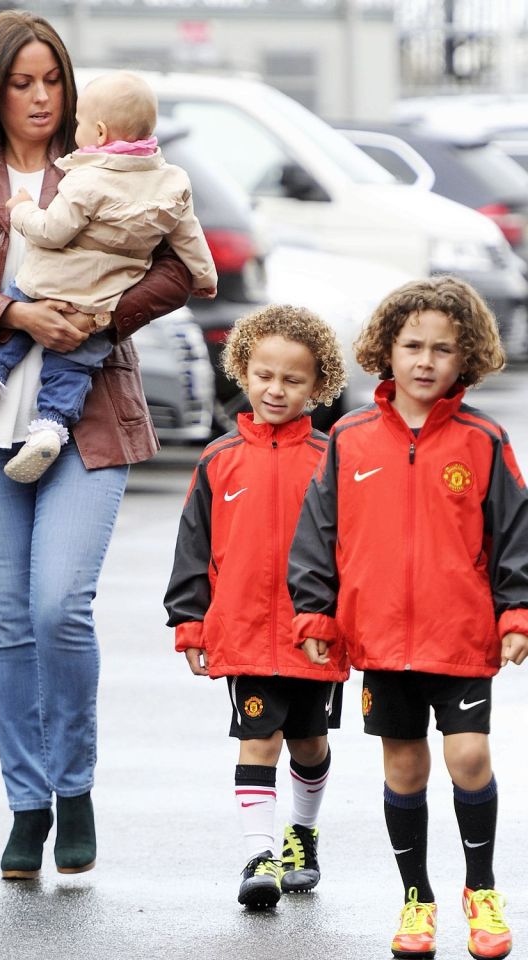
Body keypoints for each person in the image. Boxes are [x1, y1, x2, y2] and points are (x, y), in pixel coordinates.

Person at [0, 10, 194, 880]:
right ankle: (27, 807)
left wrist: (101, 317)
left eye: (52, 81)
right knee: (4, 627)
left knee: (56, 606)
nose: (40, 98)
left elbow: (182, 269)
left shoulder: (119, 163)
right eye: (21, 82)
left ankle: (74, 787)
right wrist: (14, 314)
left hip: (87, 416)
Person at [288, 276, 528, 958]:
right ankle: (416, 899)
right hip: (380, 639)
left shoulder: (483, 440)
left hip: (461, 635)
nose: (425, 361)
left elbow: (514, 534)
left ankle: (480, 889)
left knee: (469, 754)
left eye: (443, 349)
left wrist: (517, 612)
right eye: (412, 345)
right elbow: (317, 532)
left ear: (467, 358)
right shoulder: (351, 437)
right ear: (386, 351)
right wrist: (314, 614)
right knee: (404, 769)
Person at [0, 70, 217, 484]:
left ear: (99, 132)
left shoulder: (86, 179)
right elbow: (189, 236)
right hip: (101, 302)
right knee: (71, 369)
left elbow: (52, 230)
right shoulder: (171, 180)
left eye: (80, 119)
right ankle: (50, 427)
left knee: (18, 301)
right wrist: (205, 276)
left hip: (49, 282)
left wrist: (23, 210)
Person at [164, 304, 349, 909]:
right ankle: (259, 854)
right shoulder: (219, 459)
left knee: (309, 744)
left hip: (313, 631)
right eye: (265, 375)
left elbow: (356, 547)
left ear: (318, 387)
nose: (276, 389)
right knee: (257, 738)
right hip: (243, 631)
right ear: (242, 370)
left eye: (293, 380)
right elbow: (193, 543)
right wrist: (190, 620)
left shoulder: (331, 459)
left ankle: (302, 834)